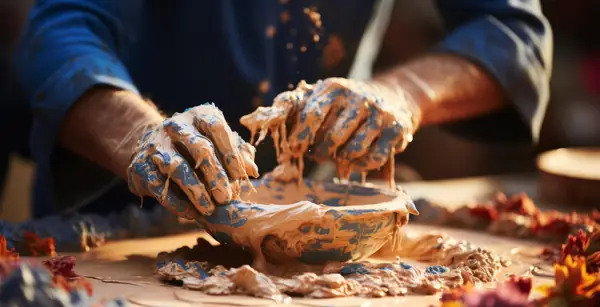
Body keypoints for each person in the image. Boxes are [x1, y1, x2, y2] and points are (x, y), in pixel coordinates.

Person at [10, 0, 552, 220]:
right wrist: (138, 135)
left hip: (322, 210)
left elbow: (514, 33)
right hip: (125, 212)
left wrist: (405, 91)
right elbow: (62, 30)